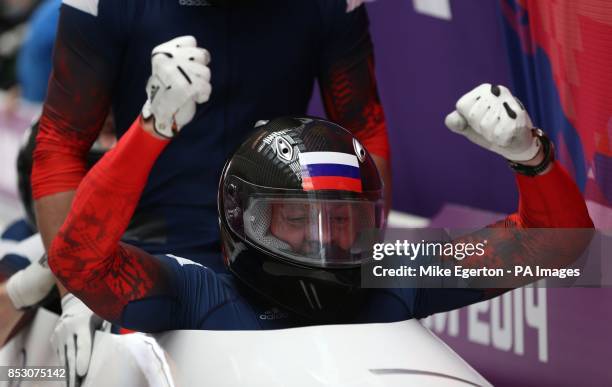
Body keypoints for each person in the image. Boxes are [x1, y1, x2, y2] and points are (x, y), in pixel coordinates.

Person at [45, 50, 593, 332]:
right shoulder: (196, 295)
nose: (325, 240)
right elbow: (77, 262)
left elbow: (559, 247)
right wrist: (149, 130)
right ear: (245, 221)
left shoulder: (397, 276)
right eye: (297, 218)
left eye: (341, 220)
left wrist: (532, 158)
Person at [32, 0, 392, 270]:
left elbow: (365, 132)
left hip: (284, 246)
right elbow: (60, 144)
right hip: (148, 250)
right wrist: (76, 293)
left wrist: (359, 256)